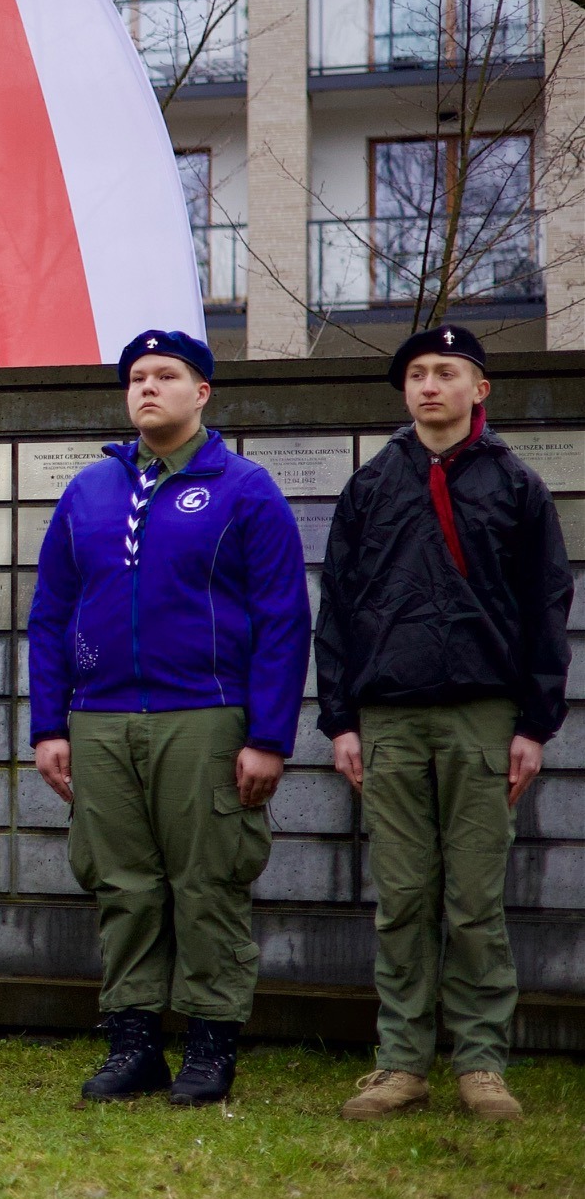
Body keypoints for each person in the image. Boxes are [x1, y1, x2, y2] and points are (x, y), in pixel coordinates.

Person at [28, 330, 309, 1106]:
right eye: (136, 377)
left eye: (165, 375)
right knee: (121, 884)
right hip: (99, 718)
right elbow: (50, 612)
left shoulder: (243, 488)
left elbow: (282, 618)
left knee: (207, 882)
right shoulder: (89, 491)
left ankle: (211, 1046)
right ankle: (133, 1043)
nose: (147, 387)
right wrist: (48, 725)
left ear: (201, 392)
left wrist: (267, 737)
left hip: (204, 716)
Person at [320, 326, 570, 1123]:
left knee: (472, 902)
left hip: (481, 716)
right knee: (401, 898)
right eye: (417, 374)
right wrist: (340, 721)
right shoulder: (370, 485)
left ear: (478, 389)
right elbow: (337, 609)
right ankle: (400, 1064)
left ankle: (480, 1064)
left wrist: (533, 725)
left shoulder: (516, 485)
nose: (429, 385)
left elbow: (546, 607)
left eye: (446, 372)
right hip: (389, 716)